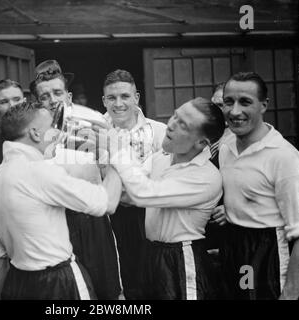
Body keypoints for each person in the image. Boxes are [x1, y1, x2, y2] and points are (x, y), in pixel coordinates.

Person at [0, 102, 122, 299]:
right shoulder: (39, 171)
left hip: (16, 283)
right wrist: (115, 153)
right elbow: (108, 202)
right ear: (35, 134)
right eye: (52, 127)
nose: (58, 134)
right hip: (58, 283)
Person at [108, 97, 225, 299]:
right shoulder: (161, 157)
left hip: (181, 258)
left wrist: (118, 151)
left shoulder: (206, 177)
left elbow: (143, 193)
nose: (171, 125)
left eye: (183, 125)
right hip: (150, 253)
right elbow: (128, 193)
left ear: (202, 142)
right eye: (175, 116)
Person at [29, 60, 124, 300]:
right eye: (45, 96)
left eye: (57, 93)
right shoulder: (33, 137)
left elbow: (112, 170)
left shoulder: (93, 127)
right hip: (57, 224)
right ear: (37, 102)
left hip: (94, 223)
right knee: (70, 294)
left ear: (69, 96)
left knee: (106, 291)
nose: (52, 99)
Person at [218, 71, 299, 300]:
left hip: (267, 251)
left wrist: (291, 293)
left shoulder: (284, 157)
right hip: (233, 248)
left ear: (264, 105)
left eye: (245, 102)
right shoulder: (226, 148)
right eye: (228, 102)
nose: (234, 111)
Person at [102, 69, 166, 299]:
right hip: (109, 217)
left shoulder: (158, 131)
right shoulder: (94, 131)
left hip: (148, 215)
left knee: (152, 281)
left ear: (136, 97)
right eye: (111, 98)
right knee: (117, 284)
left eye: (125, 97)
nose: (118, 104)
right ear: (104, 100)